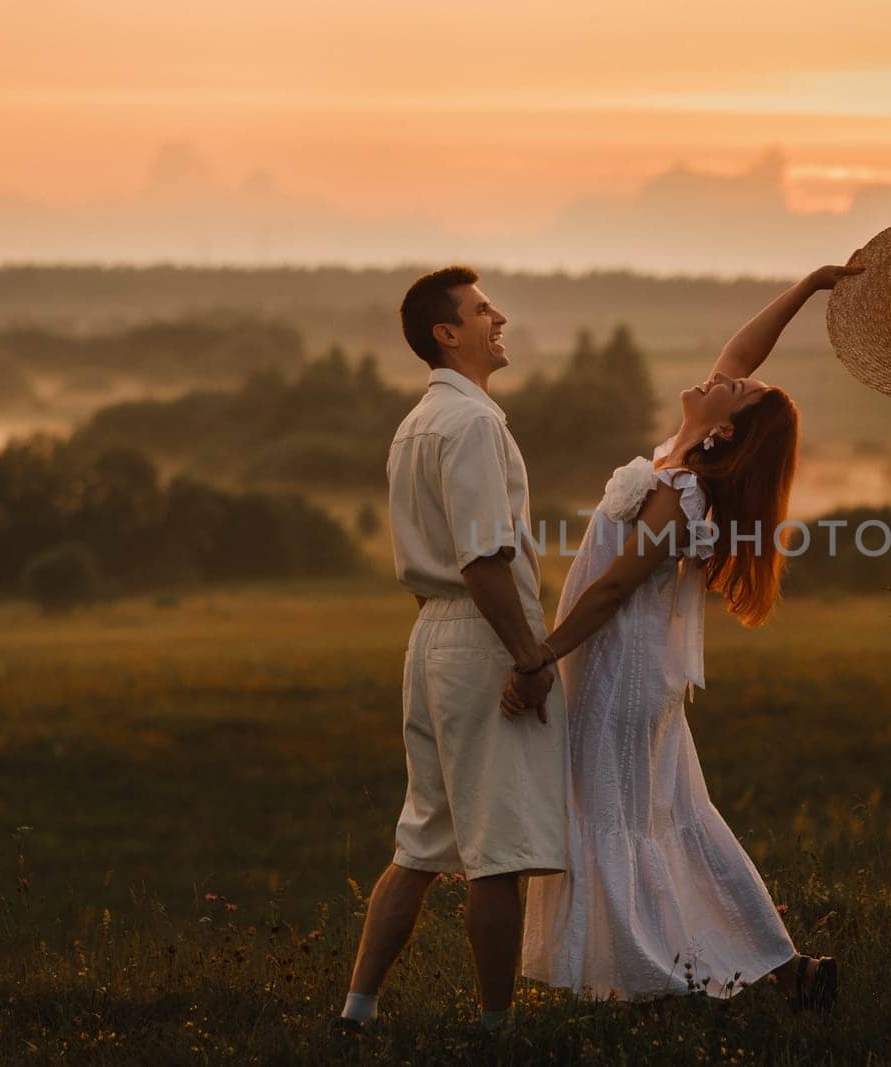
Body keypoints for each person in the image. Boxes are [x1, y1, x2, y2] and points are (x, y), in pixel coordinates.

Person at [515, 262, 862, 1009]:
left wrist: (540, 652)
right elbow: (743, 352)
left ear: (727, 426)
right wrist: (809, 288)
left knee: (618, 817)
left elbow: (611, 590)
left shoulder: (684, 492)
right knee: (668, 820)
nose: (720, 376)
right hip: (628, 672)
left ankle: (649, 979)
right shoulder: (682, 453)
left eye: (729, 389)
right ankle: (781, 967)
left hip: (620, 678)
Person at [337, 266, 569, 1036]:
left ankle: (357, 1013)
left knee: (423, 837)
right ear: (448, 332)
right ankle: (498, 1027)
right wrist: (529, 658)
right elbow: (482, 559)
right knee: (495, 851)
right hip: (478, 632)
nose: (497, 317)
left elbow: (432, 560)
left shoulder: (416, 424)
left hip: (432, 634)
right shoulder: (472, 424)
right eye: (481, 310)